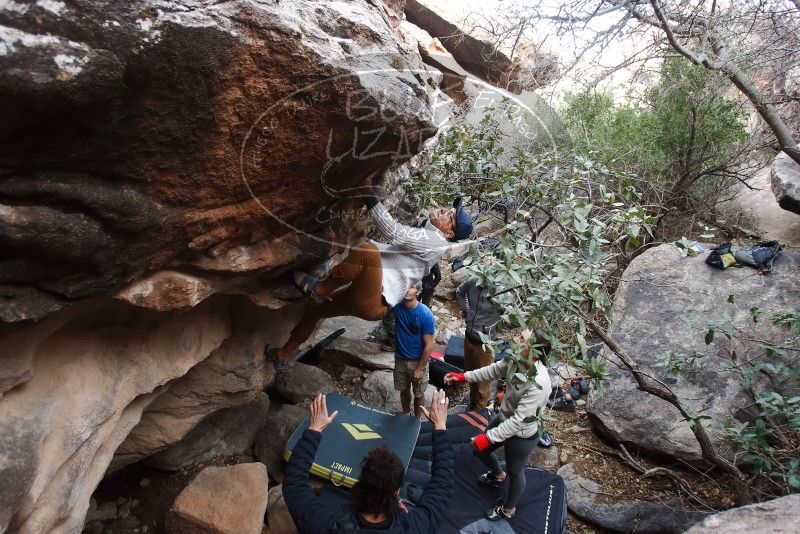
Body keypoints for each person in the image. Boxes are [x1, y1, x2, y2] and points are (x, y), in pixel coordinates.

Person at [269, 194, 472, 369]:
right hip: (370, 296)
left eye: (450, 216)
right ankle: (282, 356)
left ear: (449, 233)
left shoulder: (436, 242)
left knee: (368, 252)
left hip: (375, 299)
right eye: (448, 209)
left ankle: (321, 288)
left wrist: (369, 196)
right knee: (315, 311)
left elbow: (392, 232)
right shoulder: (430, 237)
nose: (445, 211)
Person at [282, 391, 454, 533]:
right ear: (397, 491)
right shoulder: (414, 527)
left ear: (359, 485)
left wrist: (314, 429)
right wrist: (440, 426)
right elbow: (443, 485)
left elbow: (294, 484)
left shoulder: (325, 526)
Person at [444, 330, 551, 521]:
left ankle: (509, 509)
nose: (514, 339)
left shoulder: (539, 383)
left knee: (516, 471)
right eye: (518, 335)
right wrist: (463, 377)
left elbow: (519, 421)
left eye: (521, 339)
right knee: (479, 450)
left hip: (523, 433)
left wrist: (487, 438)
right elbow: (493, 370)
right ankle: (497, 474)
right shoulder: (515, 360)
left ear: (534, 352)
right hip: (504, 418)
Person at [455, 276, 502, 409]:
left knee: (482, 385)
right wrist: (467, 311)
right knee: (470, 375)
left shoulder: (501, 291)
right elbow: (459, 291)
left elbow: (514, 317)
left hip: (486, 345)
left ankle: (479, 415)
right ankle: (472, 405)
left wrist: (497, 326)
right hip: (469, 338)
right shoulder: (474, 280)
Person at [393, 281, 435, 417]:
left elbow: (429, 345)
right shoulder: (397, 307)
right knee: (403, 389)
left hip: (417, 361)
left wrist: (420, 368)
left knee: (419, 393)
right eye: (405, 286)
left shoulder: (425, 314)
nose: (407, 290)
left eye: (411, 287)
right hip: (400, 358)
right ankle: (406, 413)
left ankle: (416, 420)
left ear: (418, 291)